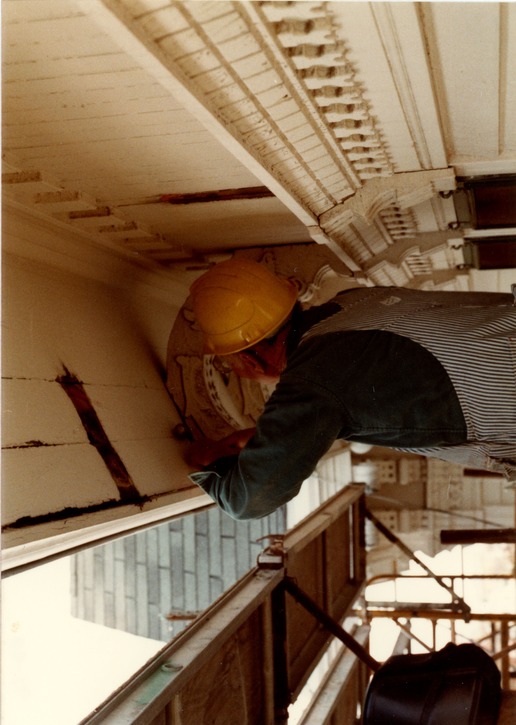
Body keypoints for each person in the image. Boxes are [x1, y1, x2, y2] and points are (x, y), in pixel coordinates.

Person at [184, 258, 516, 520]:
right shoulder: (355, 299)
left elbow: (247, 499)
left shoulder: (310, 382)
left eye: (229, 364)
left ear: (249, 360)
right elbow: (368, 387)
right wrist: (283, 436)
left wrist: (211, 459)